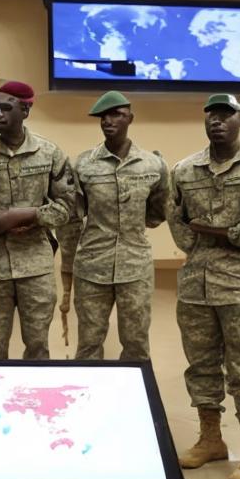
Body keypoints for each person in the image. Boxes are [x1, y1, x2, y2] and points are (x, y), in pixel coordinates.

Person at [168, 93, 240, 479]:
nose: (217, 122)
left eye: (226, 115)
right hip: (196, 283)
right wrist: (222, 233)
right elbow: (180, 228)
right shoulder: (185, 169)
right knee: (200, 365)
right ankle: (211, 438)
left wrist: (212, 231)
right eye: (211, 115)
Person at [0, 81, 74, 360]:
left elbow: (67, 206)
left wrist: (29, 215)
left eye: (5, 109)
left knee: (38, 347)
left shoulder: (50, 154)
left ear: (25, 110)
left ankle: (36, 402)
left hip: (36, 267)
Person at [70, 91, 168, 361]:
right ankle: (87, 397)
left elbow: (158, 212)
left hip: (135, 266)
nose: (108, 121)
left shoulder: (153, 164)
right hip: (92, 266)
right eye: (103, 116)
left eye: (117, 115)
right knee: (89, 342)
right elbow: (75, 213)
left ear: (130, 119)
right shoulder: (83, 164)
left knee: (136, 343)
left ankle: (134, 398)